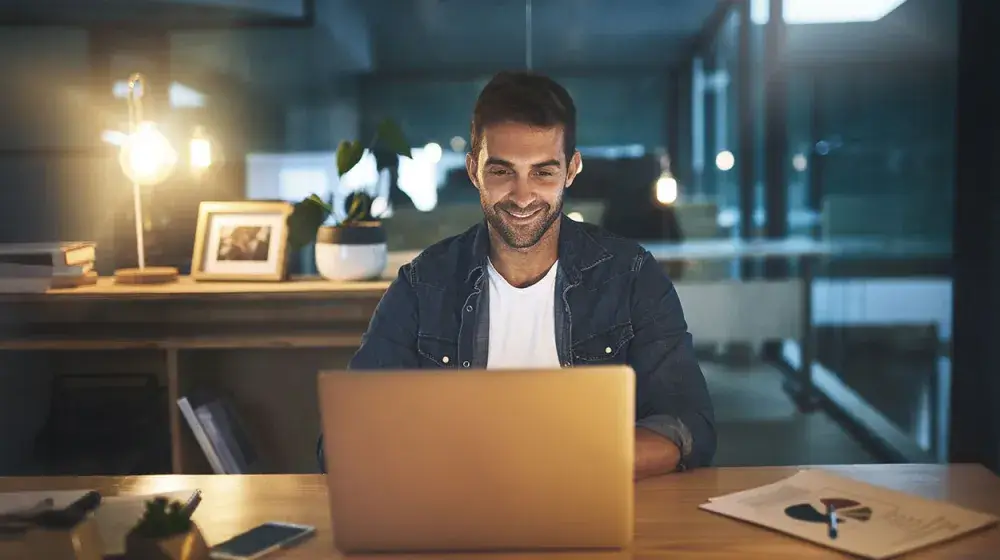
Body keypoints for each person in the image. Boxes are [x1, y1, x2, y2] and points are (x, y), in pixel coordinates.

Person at [318, 71, 715, 479]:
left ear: (571, 169)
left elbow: (688, 425)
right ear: (474, 170)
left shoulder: (631, 275)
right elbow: (341, 440)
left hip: (589, 507)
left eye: (543, 172)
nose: (522, 196)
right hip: (456, 515)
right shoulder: (423, 286)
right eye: (502, 171)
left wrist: (562, 464)